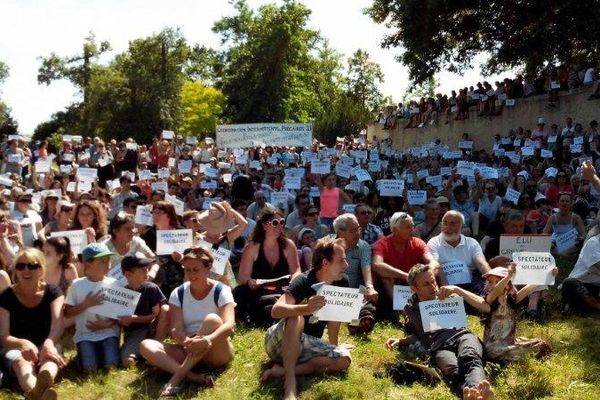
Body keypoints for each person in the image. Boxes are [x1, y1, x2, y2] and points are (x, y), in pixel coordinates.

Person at [261, 238, 352, 400]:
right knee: (296, 318)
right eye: (342, 260)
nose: (346, 265)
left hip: (308, 344)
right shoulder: (303, 280)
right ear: (325, 263)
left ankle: (280, 371)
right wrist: (305, 309)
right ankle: (290, 384)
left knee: (344, 360)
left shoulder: (342, 282)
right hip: (279, 341)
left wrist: (333, 348)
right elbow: (276, 311)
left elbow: (334, 319)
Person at [385, 264, 494, 399]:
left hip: (462, 336)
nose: (433, 287)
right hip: (439, 346)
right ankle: (473, 395)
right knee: (452, 370)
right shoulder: (411, 309)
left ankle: (477, 392)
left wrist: (457, 290)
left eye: (433, 281)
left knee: (469, 357)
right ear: (414, 288)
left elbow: (485, 307)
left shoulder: (449, 295)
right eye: (426, 284)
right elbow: (420, 334)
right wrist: (401, 341)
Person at [139, 246, 235, 396]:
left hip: (216, 348)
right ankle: (193, 377)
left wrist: (207, 340)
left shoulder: (221, 290)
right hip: (188, 348)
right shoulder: (178, 293)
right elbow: (176, 329)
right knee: (146, 345)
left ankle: (176, 378)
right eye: (187, 270)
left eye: (195, 270)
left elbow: (230, 325)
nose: (191, 274)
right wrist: (186, 342)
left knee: (212, 320)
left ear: (208, 267)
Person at [0, 249, 65, 400]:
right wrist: (22, 343)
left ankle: (40, 387)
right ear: (15, 270)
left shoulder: (53, 292)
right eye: (21, 266)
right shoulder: (6, 297)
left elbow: (58, 324)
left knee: (51, 356)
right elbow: (3, 336)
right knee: (21, 362)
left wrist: (48, 343)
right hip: (16, 347)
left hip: (46, 341)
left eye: (32, 265)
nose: (26, 270)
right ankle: (38, 391)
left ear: (41, 269)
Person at [235, 210, 301, 326]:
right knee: (239, 292)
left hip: (283, 289)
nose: (280, 226)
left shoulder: (289, 244)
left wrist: (294, 280)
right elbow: (243, 276)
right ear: (265, 225)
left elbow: (296, 270)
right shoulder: (252, 247)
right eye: (275, 222)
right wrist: (250, 281)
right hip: (259, 290)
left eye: (282, 222)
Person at [64, 243, 120, 372]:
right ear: (88, 264)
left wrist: (106, 325)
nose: (107, 264)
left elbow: (121, 315)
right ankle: (85, 354)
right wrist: (86, 304)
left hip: (108, 333)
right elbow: (67, 313)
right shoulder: (77, 285)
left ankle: (101, 353)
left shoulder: (114, 284)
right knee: (89, 369)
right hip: (85, 335)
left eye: (108, 260)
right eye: (102, 261)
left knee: (111, 365)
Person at [481, 265, 552, 362]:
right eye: (489, 282)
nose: (492, 285)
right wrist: (508, 276)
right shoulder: (490, 301)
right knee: (540, 348)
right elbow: (497, 290)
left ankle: (511, 356)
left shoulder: (512, 300)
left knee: (543, 345)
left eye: (496, 282)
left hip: (508, 343)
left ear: (508, 285)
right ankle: (507, 358)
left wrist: (548, 274)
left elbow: (528, 289)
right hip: (493, 349)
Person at [372, 212, 438, 310]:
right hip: (394, 284)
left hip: (415, 283)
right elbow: (377, 265)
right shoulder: (382, 244)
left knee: (436, 270)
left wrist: (427, 274)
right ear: (395, 230)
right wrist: (406, 276)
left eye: (413, 226)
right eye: (408, 227)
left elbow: (433, 262)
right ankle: (403, 312)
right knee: (386, 276)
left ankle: (441, 302)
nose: (413, 230)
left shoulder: (417, 242)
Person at [118, 256, 168, 368]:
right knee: (127, 361)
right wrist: (123, 321)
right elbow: (121, 321)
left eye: (147, 268)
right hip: (135, 332)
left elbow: (155, 315)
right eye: (142, 270)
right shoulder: (123, 293)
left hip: (152, 328)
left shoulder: (151, 288)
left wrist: (134, 318)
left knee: (165, 309)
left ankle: (156, 347)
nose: (147, 272)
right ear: (128, 274)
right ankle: (142, 354)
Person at [333, 213, 379, 334]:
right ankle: (358, 320)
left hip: (356, 293)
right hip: (334, 292)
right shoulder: (327, 245)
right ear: (340, 232)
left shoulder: (364, 246)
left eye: (358, 229)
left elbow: (366, 268)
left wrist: (370, 287)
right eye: (353, 230)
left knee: (369, 299)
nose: (358, 233)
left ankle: (361, 319)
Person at [428, 211, 491, 295]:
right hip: (444, 285)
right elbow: (437, 267)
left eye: (452, 224)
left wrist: (492, 280)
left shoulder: (472, 243)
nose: (447, 227)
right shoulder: (434, 243)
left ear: (462, 226)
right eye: (445, 223)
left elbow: (482, 264)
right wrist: (447, 288)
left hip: (470, 286)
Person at [103, 212, 158, 283]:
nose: (132, 231)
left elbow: (155, 260)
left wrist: (152, 273)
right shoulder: (104, 248)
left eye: (133, 227)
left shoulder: (137, 242)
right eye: (127, 229)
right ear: (115, 231)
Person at [561, 230, 600, 314]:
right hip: (581, 284)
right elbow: (598, 265)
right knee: (569, 282)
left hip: (596, 287)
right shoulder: (593, 243)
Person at [542, 192, 585, 256]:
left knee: (582, 243)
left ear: (571, 203)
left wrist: (581, 237)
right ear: (558, 203)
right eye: (562, 201)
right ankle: (564, 254)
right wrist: (550, 243)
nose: (564, 203)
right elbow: (545, 233)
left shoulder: (576, 217)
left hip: (571, 242)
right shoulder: (553, 218)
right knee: (546, 243)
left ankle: (560, 254)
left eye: (567, 201)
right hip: (556, 242)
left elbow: (583, 234)